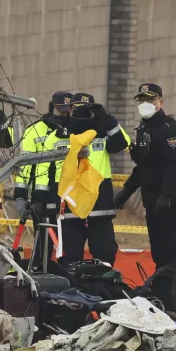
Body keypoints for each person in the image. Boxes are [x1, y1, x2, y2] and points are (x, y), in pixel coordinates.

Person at [116, 82, 176, 270]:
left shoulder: (169, 129)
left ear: (160, 102)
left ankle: (174, 286)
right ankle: (161, 284)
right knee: (158, 251)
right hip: (151, 199)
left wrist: (166, 196)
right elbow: (143, 166)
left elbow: (174, 166)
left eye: (150, 100)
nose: (145, 104)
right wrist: (126, 192)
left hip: (169, 201)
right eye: (142, 100)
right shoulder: (144, 129)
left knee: (171, 250)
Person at [59, 92, 129, 266]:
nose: (82, 113)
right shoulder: (62, 131)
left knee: (105, 254)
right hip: (72, 203)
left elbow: (121, 143)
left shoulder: (102, 129)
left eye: (86, 109)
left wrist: (106, 118)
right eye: (77, 108)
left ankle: (101, 282)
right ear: (70, 109)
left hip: (100, 204)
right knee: (70, 257)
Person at [13, 91, 73, 266]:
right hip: (42, 193)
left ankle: (66, 273)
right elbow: (25, 164)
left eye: (68, 110)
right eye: (61, 109)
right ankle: (40, 270)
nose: (65, 114)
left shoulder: (76, 129)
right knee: (43, 241)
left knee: (69, 241)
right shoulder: (34, 130)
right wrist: (20, 194)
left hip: (71, 192)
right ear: (52, 107)